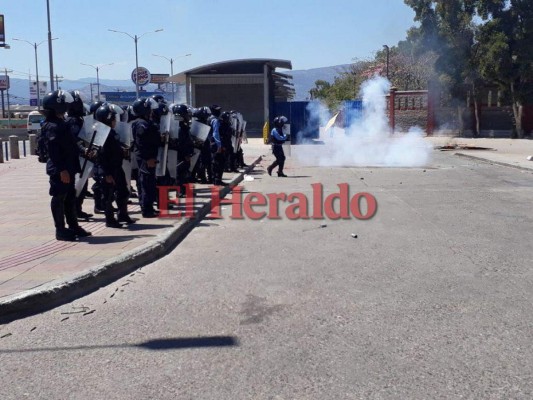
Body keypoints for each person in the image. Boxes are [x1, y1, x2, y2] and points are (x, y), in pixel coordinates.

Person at [41, 90, 92, 241]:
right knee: (59, 198)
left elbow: (72, 143)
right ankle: (60, 230)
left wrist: (83, 151)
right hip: (60, 169)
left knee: (70, 197)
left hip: (69, 167)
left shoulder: (61, 123)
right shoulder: (52, 126)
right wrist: (62, 170)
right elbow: (53, 151)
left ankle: (73, 226)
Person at [93, 103, 135, 227]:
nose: (115, 121)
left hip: (116, 167)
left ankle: (123, 214)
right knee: (108, 195)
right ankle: (110, 220)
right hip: (107, 170)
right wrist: (107, 174)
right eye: (113, 119)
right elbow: (101, 156)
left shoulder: (110, 132)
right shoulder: (101, 134)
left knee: (123, 191)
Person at [65, 90, 94, 220]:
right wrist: (83, 149)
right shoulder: (72, 121)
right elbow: (75, 140)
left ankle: (79, 210)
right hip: (77, 158)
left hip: (83, 158)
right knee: (78, 185)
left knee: (83, 185)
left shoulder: (79, 120)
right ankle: (75, 211)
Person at [132, 97, 161, 218]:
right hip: (145, 159)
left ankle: (149, 207)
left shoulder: (145, 123)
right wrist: (148, 158)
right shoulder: (141, 124)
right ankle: (146, 209)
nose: (151, 112)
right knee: (146, 184)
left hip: (149, 158)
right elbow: (142, 144)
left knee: (149, 183)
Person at [170, 104, 194, 196]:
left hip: (184, 154)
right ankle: (180, 192)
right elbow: (181, 143)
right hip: (181, 155)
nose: (188, 116)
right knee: (180, 173)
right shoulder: (179, 127)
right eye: (187, 114)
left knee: (185, 173)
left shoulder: (183, 125)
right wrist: (186, 154)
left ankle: (185, 191)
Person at [209, 105, 227, 186]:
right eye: (217, 110)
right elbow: (215, 133)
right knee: (219, 162)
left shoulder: (208, 119)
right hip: (215, 144)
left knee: (214, 162)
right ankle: (217, 180)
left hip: (210, 143)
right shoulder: (215, 120)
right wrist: (219, 145)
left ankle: (214, 179)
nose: (219, 112)